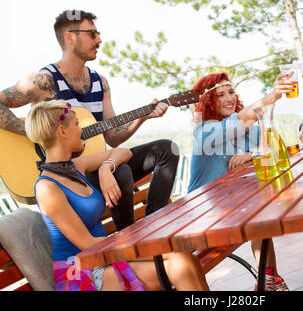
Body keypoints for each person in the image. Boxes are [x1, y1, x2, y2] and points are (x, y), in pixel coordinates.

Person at [0, 10, 179, 231]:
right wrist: (34, 132)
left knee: (168, 149)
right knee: (119, 171)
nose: (99, 40)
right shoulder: (43, 81)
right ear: (70, 37)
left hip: (97, 166)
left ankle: (155, 226)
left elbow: (112, 138)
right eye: (92, 34)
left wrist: (142, 117)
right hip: (63, 178)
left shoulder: (99, 83)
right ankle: (130, 241)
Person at [25, 100, 209, 291]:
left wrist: (106, 167)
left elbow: (123, 152)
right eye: (77, 125)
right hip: (83, 271)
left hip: (105, 257)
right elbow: (87, 243)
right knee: (180, 263)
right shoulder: (47, 188)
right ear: (62, 131)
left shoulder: (76, 167)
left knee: (183, 256)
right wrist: (144, 243)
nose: (82, 131)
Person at [187, 72, 293, 291]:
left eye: (231, 92)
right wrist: (272, 96)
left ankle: (269, 280)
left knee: (257, 211)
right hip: (203, 215)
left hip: (234, 208)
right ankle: (269, 280)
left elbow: (275, 150)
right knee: (257, 212)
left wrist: (252, 155)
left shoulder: (246, 132)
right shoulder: (204, 132)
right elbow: (242, 120)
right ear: (208, 101)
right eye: (220, 95)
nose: (229, 98)